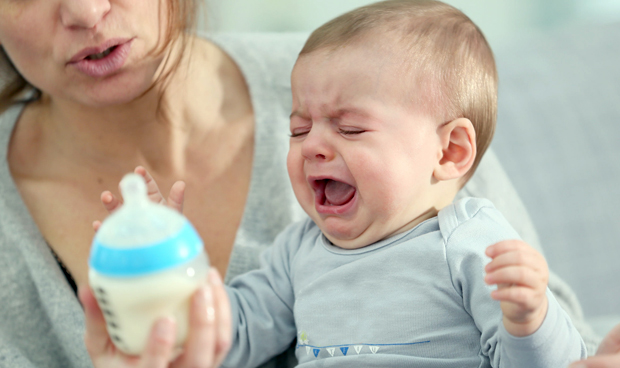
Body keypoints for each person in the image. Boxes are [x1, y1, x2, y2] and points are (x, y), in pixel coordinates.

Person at [0, 0, 603, 367]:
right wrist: (170, 275)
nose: (314, 143)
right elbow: (226, 340)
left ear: (449, 152)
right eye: (298, 128)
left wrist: (531, 317)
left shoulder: (467, 235)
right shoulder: (300, 255)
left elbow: (562, 355)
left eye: (349, 128)